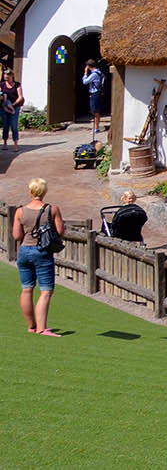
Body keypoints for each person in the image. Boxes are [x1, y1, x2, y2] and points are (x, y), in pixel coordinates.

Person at [13, 177, 65, 336]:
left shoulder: (20, 211)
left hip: (24, 251)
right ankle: (42, 328)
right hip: (42, 251)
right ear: (44, 192)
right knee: (45, 291)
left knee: (27, 289)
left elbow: (16, 235)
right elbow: (60, 232)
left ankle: (31, 326)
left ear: (30, 191)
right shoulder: (52, 209)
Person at [0, 65, 22, 147]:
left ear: (12, 75)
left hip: (14, 106)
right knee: (5, 126)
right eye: (5, 75)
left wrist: (13, 104)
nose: (6, 76)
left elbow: (20, 97)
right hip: (4, 107)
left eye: (8, 75)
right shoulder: (2, 85)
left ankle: (15, 144)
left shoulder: (17, 85)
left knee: (14, 125)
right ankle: (5, 143)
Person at [83, 59, 104, 137]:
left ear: (88, 66)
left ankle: (96, 128)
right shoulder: (99, 72)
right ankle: (96, 127)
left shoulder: (94, 74)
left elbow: (85, 81)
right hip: (97, 93)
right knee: (96, 111)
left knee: (95, 111)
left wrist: (85, 73)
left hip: (95, 93)